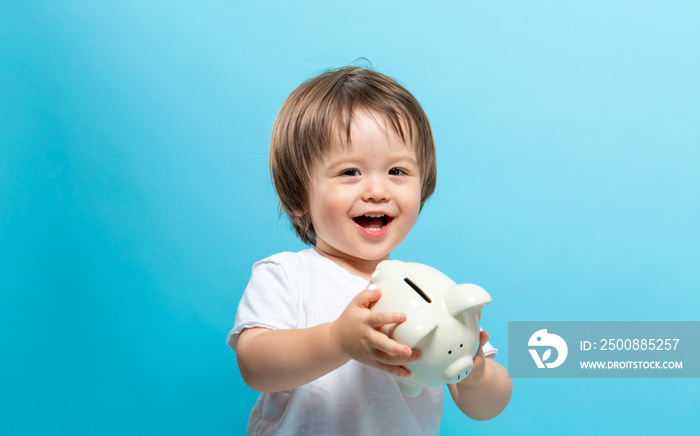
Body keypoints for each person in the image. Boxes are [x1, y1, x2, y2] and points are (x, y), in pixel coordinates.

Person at [228, 66, 512, 435]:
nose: (377, 190)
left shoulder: (430, 288)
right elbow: (256, 365)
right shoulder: (286, 275)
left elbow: (489, 405)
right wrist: (337, 340)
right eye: (350, 172)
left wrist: (476, 373)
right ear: (298, 194)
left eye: (397, 171)